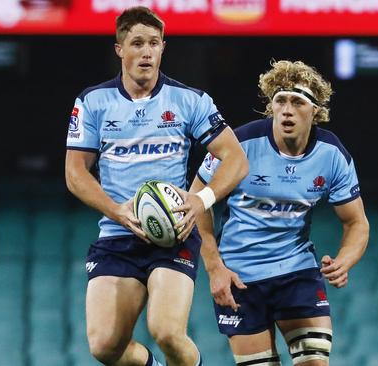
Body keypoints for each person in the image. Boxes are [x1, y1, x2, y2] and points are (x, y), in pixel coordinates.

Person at [65, 6, 249, 366]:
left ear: (163, 48)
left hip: (173, 233)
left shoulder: (190, 100)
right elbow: (76, 174)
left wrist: (201, 199)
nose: (146, 52)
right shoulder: (93, 102)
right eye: (136, 43)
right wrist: (117, 211)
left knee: (165, 330)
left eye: (153, 43)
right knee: (104, 346)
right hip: (117, 235)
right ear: (119, 49)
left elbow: (236, 159)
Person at [191, 60, 369, 366]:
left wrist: (344, 260)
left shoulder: (332, 155)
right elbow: (196, 203)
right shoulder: (239, 145)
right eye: (280, 101)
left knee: (314, 361)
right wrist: (214, 268)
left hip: (295, 273)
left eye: (297, 102)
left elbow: (356, 223)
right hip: (239, 278)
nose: (286, 110)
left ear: (315, 111)